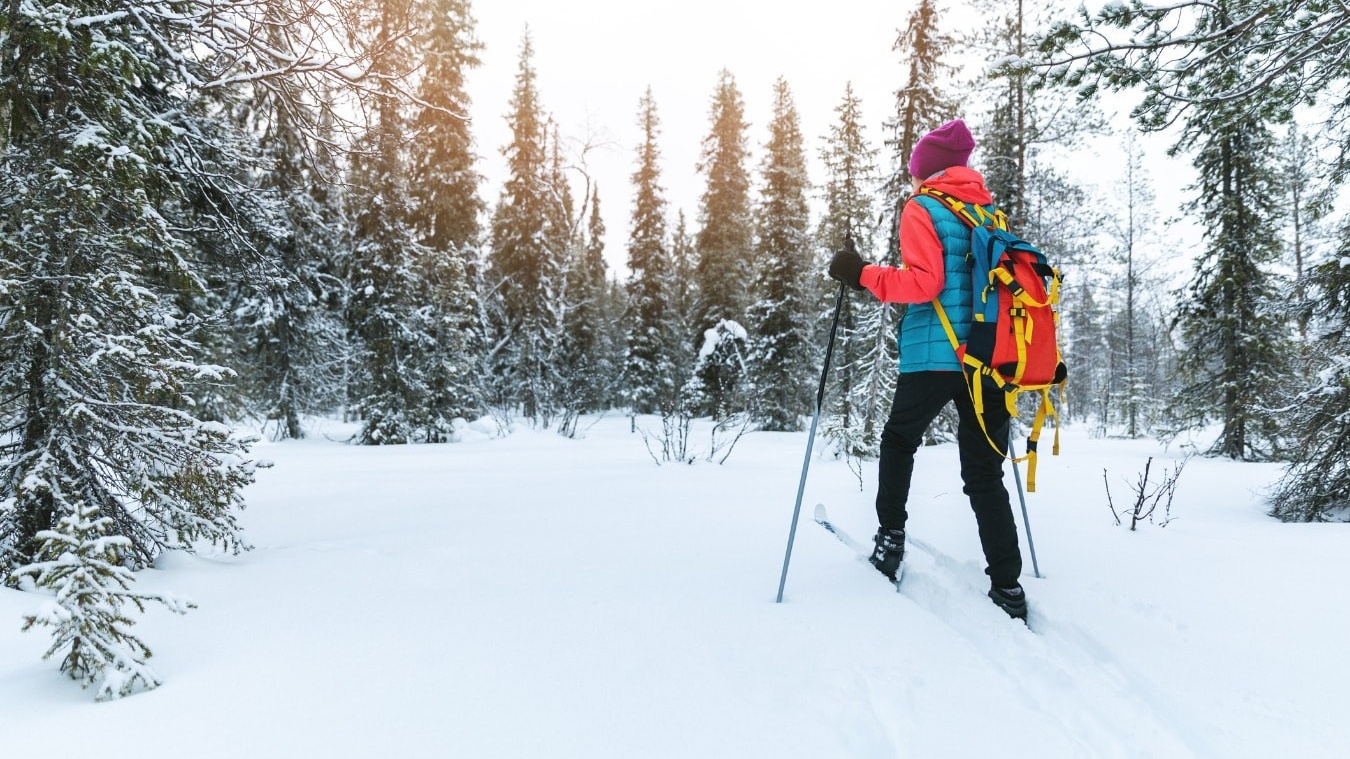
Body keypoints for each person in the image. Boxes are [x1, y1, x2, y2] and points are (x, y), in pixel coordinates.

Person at [827, 119, 1027, 620]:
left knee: (899, 441)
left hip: (935, 355)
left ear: (926, 171)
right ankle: (1008, 587)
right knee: (985, 472)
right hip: (989, 357)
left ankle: (890, 540)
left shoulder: (923, 208)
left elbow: (923, 284)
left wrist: (861, 274)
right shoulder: (991, 213)